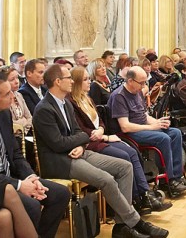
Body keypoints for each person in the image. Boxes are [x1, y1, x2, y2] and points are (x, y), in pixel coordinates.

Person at [32, 64, 168, 238]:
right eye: (69, 78)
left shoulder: (65, 103)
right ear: (58, 82)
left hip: (79, 152)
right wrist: (80, 141)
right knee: (106, 179)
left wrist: (80, 145)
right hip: (60, 161)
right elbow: (58, 144)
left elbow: (78, 133)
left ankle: (121, 226)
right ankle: (135, 221)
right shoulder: (44, 108)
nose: (72, 81)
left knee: (125, 167)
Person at [0, 73, 71, 238]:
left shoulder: (4, 114)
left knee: (60, 194)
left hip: (12, 177)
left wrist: (31, 177)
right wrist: (20, 185)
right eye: (7, 94)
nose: (14, 96)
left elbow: (16, 154)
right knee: (32, 205)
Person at [69, 67, 171, 215]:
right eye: (85, 79)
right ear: (77, 82)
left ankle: (144, 195)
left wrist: (102, 130)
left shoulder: (87, 98)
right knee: (124, 156)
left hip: (101, 138)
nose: (89, 81)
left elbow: (101, 121)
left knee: (132, 152)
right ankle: (135, 198)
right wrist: (101, 135)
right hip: (91, 143)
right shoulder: (71, 102)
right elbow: (80, 128)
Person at [107, 66, 186, 196]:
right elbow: (125, 126)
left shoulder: (137, 92)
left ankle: (177, 176)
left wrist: (158, 122)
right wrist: (152, 127)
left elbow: (144, 116)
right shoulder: (119, 96)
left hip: (142, 127)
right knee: (163, 138)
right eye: (141, 83)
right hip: (130, 133)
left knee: (175, 133)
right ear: (130, 81)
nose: (143, 86)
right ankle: (168, 180)